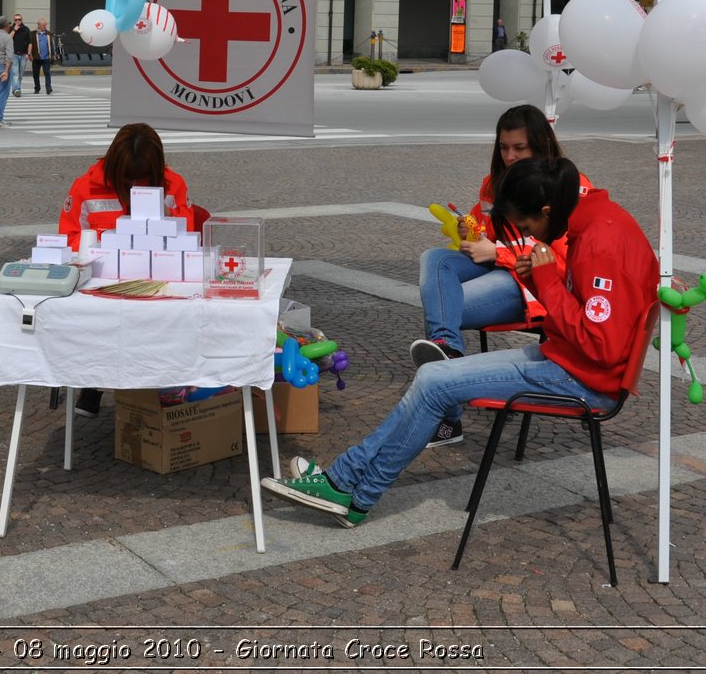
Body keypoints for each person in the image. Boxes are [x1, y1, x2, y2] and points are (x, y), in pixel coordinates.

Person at [262, 157, 656, 528]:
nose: (530, 236)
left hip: (582, 377)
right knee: (435, 378)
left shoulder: (601, 240)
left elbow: (601, 345)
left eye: (528, 227)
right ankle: (347, 484)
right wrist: (540, 279)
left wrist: (548, 281)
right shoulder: (602, 220)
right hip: (571, 363)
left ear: (547, 211)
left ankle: (353, 493)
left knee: (435, 383)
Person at [412, 104, 594, 446]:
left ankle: (448, 416)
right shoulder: (492, 184)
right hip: (501, 268)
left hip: (535, 285)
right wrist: (472, 233)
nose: (510, 156)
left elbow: (565, 263)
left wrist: (499, 253)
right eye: (503, 147)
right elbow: (490, 231)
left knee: (440, 308)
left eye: (519, 148)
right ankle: (448, 351)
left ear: (541, 145)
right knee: (435, 260)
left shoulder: (569, 185)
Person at [58, 122, 205, 417]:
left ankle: (170, 383)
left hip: (160, 276)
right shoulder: (85, 187)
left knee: (173, 318)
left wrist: (160, 224)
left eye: (144, 179)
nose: (136, 185)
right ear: (114, 168)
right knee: (96, 317)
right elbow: (69, 239)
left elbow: (187, 235)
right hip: (104, 278)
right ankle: (93, 381)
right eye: (128, 179)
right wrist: (112, 242)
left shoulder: (173, 184)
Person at [29, 17, 62, 94]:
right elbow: (29, 44)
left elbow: (52, 44)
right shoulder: (33, 34)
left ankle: (48, 88)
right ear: (39, 25)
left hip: (46, 57)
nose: (45, 26)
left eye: (45, 25)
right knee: (35, 74)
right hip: (36, 57)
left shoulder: (49, 34)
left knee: (47, 73)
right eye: (43, 25)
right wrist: (29, 54)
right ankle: (37, 88)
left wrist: (53, 54)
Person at [9, 13, 31, 96]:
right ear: (14, 20)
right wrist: (14, 30)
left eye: (19, 19)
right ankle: (17, 89)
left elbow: (30, 43)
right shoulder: (11, 29)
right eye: (16, 19)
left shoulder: (26, 29)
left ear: (22, 20)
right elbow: (8, 39)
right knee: (15, 73)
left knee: (20, 74)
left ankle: (15, 89)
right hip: (14, 54)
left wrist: (28, 54)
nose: (17, 21)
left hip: (23, 55)